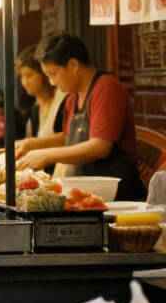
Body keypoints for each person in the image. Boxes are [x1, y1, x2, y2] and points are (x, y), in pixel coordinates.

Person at [18, 33, 145, 199]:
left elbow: (100, 146)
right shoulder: (73, 97)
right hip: (84, 191)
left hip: (116, 196)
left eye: (53, 74)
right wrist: (32, 144)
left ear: (73, 65)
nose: (52, 82)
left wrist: (46, 155)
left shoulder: (106, 88)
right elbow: (70, 138)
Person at [16, 45, 66, 149]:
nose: (24, 82)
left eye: (29, 75)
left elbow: (69, 138)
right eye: (21, 76)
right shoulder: (33, 109)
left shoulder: (63, 98)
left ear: (44, 73)